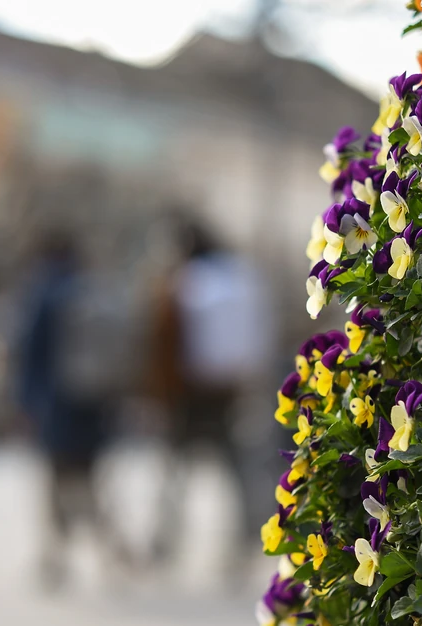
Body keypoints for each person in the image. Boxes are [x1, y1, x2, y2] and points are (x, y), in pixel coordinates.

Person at [147, 217, 272, 563]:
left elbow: (164, 343)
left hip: (188, 394)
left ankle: (164, 540)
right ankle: (245, 539)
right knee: (234, 472)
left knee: (174, 474)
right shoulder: (240, 276)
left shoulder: (185, 282)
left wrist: (157, 395)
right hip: (228, 391)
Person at [17, 235, 133, 589]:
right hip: (94, 404)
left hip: (58, 406)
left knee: (59, 483)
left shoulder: (44, 294)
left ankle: (56, 557)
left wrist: (26, 404)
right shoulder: (92, 290)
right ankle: (111, 550)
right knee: (90, 481)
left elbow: (29, 354)